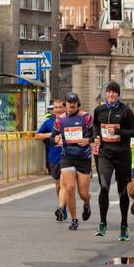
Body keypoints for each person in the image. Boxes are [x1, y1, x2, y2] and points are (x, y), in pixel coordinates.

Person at [91, 81, 134, 241]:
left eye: (114, 92)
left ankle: (124, 225)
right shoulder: (100, 110)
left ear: (118, 94)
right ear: (106, 94)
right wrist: (96, 137)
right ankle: (103, 223)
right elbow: (95, 126)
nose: (111, 95)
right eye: (109, 92)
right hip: (105, 154)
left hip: (122, 156)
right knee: (104, 186)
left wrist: (120, 131)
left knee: (122, 191)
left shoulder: (125, 111)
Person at [55, 93, 93, 231]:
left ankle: (87, 203)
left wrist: (88, 140)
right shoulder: (60, 120)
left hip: (83, 158)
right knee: (70, 188)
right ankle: (74, 219)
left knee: (83, 193)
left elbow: (95, 134)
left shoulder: (86, 117)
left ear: (78, 103)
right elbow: (53, 135)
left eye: (74, 102)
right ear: (65, 104)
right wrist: (56, 139)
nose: (71, 105)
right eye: (69, 102)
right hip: (67, 157)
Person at [34, 98, 66, 220]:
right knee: (58, 186)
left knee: (65, 185)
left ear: (64, 108)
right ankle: (63, 205)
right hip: (54, 158)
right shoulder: (48, 122)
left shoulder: (68, 120)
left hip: (68, 157)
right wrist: (51, 135)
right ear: (53, 110)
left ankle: (61, 208)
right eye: (55, 108)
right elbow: (36, 136)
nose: (58, 110)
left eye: (60, 107)